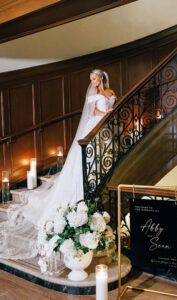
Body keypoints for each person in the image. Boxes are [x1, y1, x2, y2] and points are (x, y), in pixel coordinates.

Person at [0, 69, 116, 260]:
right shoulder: (93, 94)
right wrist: (104, 112)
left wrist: (110, 111)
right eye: (91, 79)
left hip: (107, 128)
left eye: (94, 79)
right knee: (85, 158)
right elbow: (91, 111)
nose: (93, 82)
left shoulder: (110, 93)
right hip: (95, 125)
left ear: (101, 78)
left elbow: (114, 104)